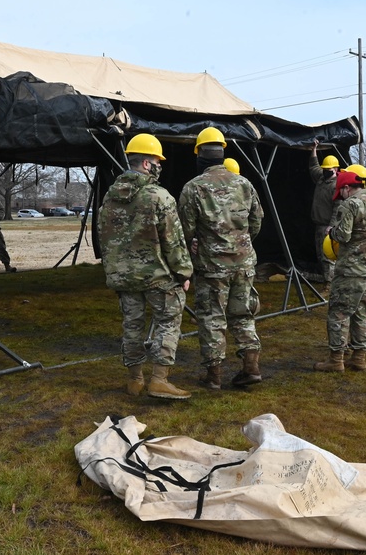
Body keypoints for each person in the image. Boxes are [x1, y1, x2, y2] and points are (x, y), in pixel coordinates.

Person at [98, 133, 194, 400]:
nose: (159, 165)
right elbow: (174, 241)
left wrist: (114, 270)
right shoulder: (159, 197)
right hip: (157, 277)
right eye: (156, 160)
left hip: (124, 277)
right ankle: (159, 380)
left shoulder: (109, 197)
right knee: (168, 322)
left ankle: (134, 380)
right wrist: (183, 272)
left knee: (131, 325)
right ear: (147, 164)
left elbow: (103, 237)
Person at [179, 127, 264, 390]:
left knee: (212, 317)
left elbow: (186, 229)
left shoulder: (193, 188)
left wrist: (198, 244)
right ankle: (251, 367)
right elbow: (257, 221)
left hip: (212, 266)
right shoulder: (244, 183)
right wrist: (241, 241)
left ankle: (213, 376)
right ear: (222, 152)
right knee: (243, 314)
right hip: (244, 262)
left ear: (199, 155)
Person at [314, 169, 366, 372]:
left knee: (339, 312)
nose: (340, 196)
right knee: (362, 311)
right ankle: (359, 357)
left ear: (346, 188)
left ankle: (336, 360)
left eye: (340, 192)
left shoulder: (351, 204)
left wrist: (331, 231)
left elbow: (343, 236)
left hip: (353, 267)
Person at [308, 142, 340, 284]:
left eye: (329, 169)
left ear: (336, 169)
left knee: (328, 255)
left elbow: (337, 208)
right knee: (320, 254)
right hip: (318, 224)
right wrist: (314, 150)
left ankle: (330, 282)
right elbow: (313, 167)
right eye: (325, 169)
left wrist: (331, 226)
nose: (326, 171)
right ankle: (326, 279)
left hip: (327, 226)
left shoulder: (336, 185)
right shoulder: (322, 178)